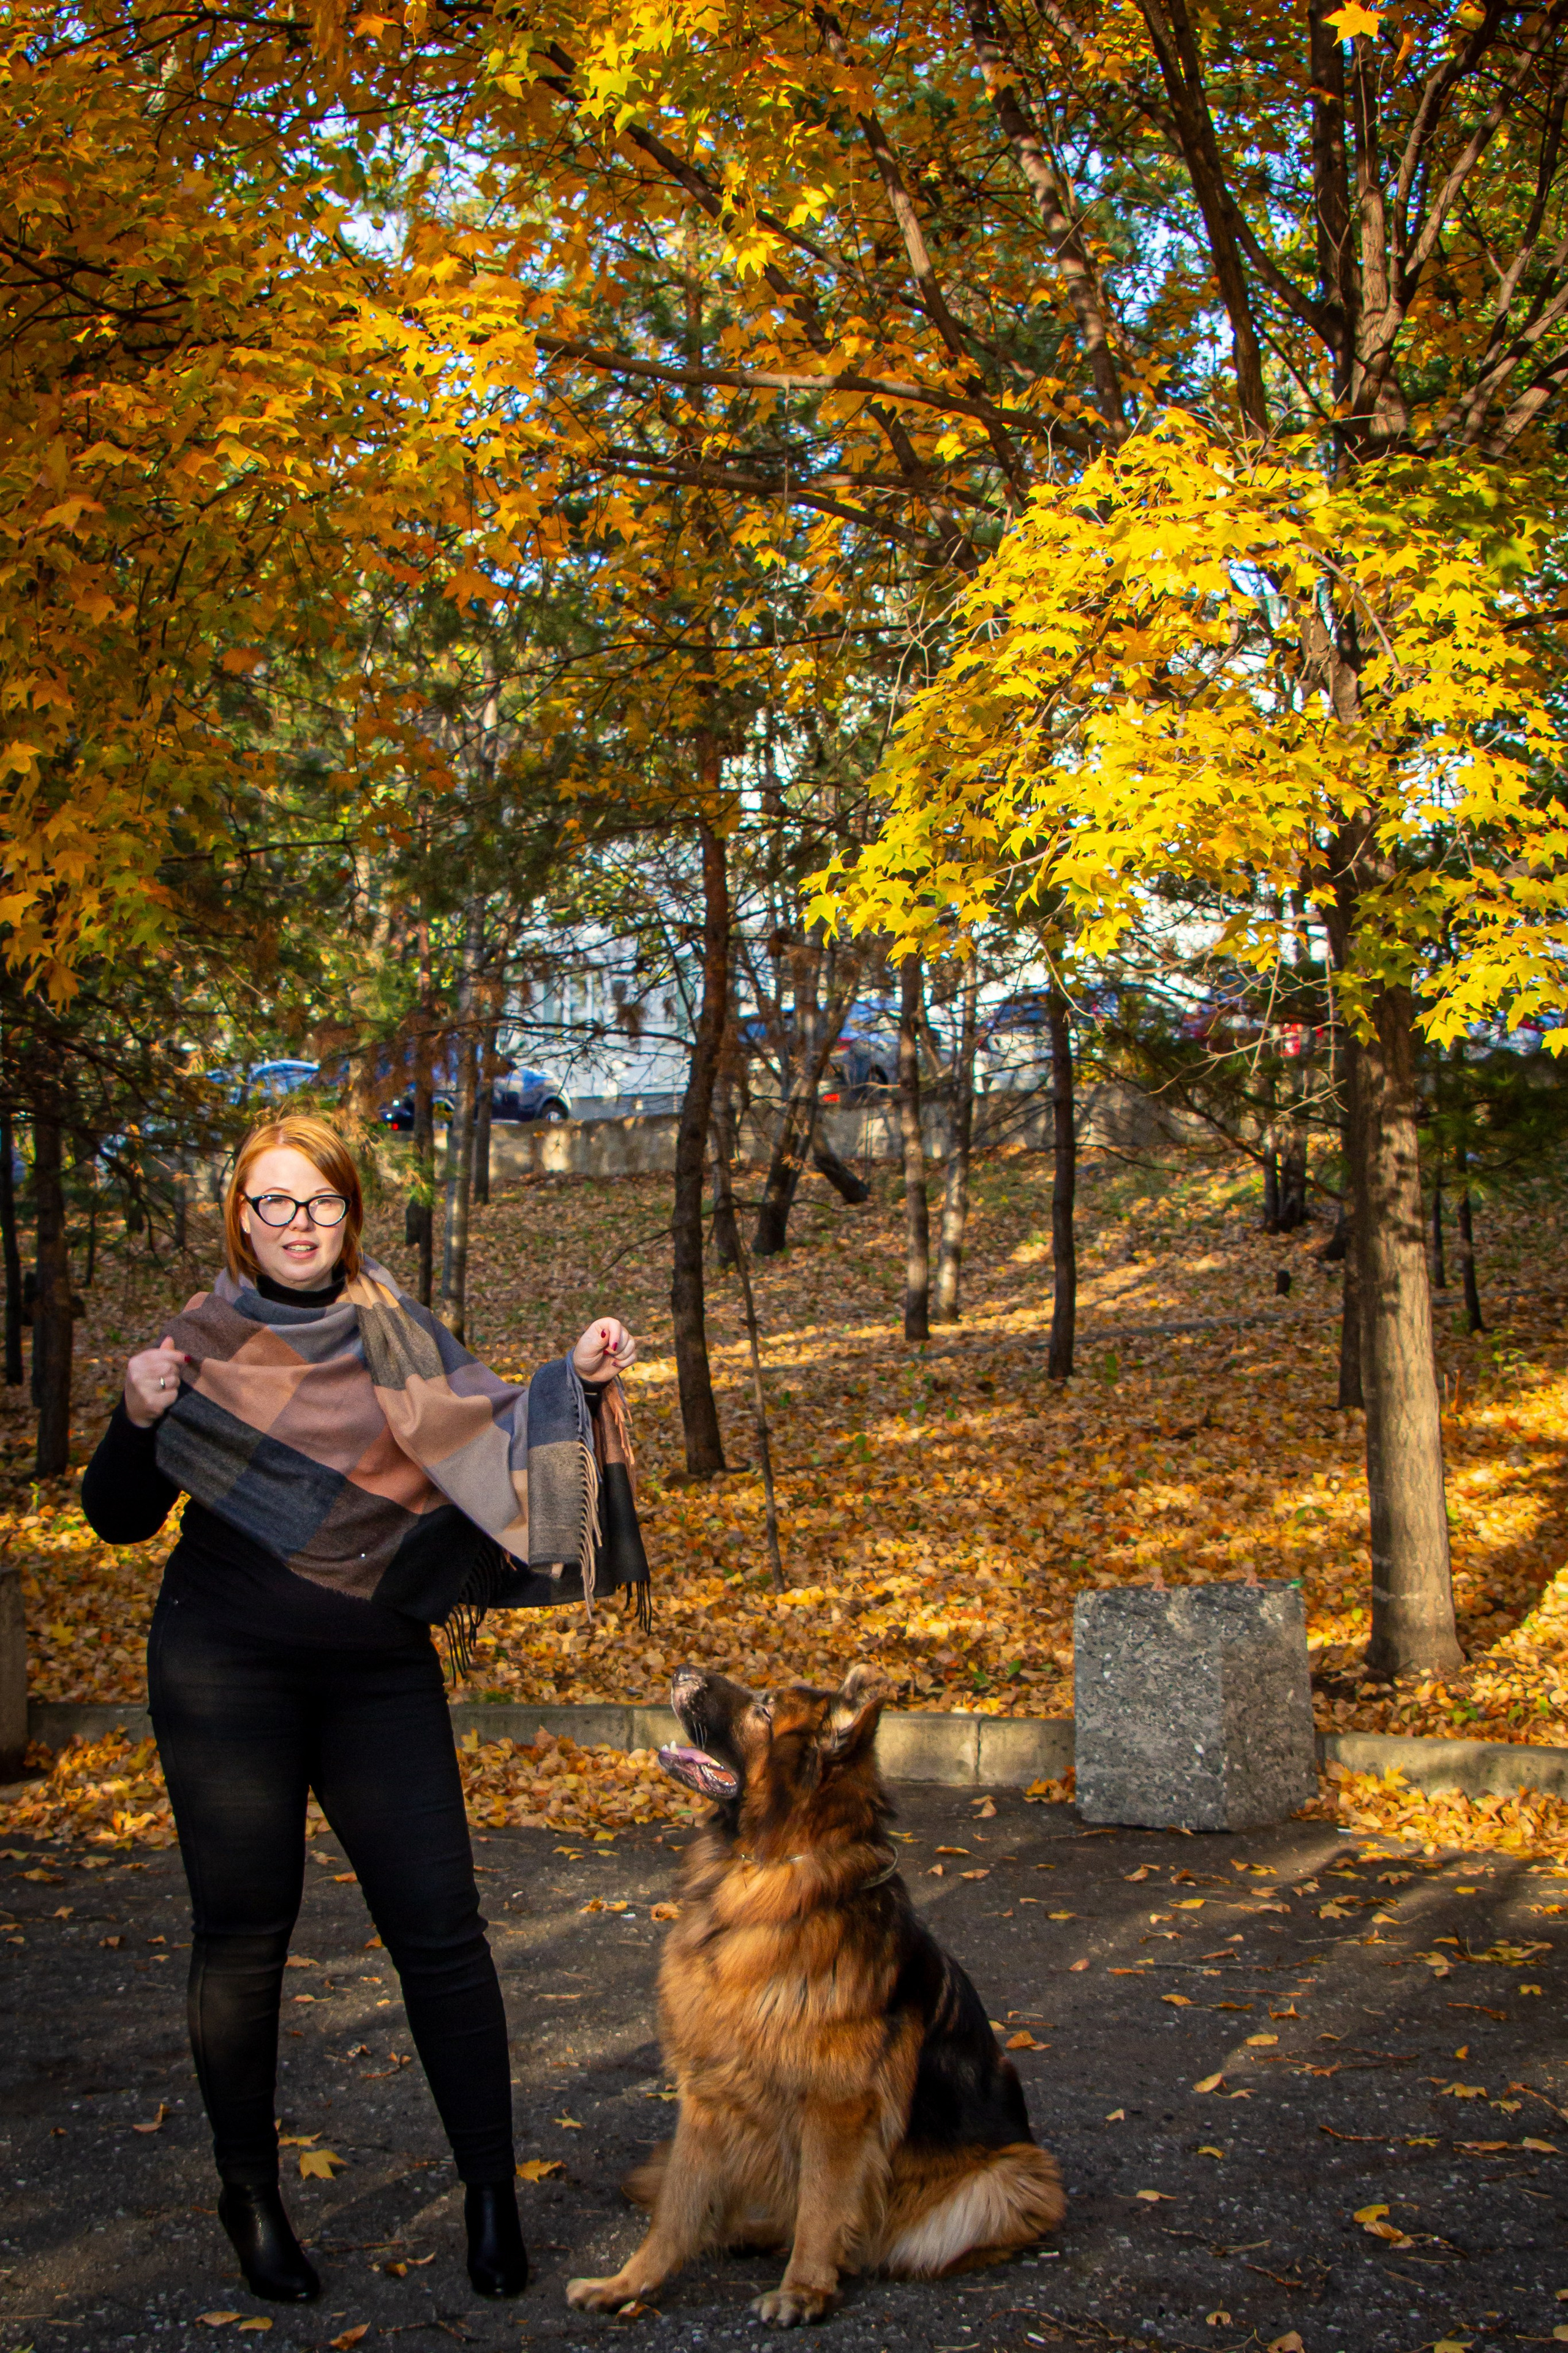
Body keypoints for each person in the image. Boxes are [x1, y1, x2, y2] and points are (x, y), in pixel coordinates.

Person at [81, 1114, 645, 2306]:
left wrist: (577, 1379)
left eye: (320, 1203)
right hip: (223, 1664)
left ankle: (489, 2188)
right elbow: (119, 1517)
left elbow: (490, 1425)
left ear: (349, 1212)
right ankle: (250, 2193)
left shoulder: (398, 1329)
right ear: (241, 1215)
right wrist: (135, 1416)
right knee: (244, 1934)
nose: (298, 1224)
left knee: (441, 1927)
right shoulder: (201, 1339)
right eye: (274, 1204)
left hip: (380, 1665)